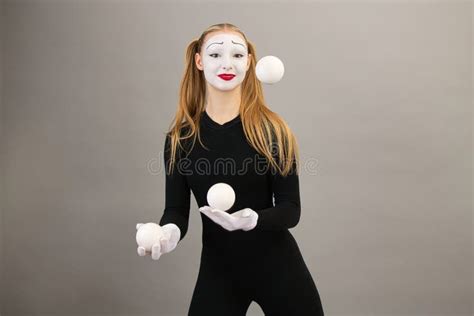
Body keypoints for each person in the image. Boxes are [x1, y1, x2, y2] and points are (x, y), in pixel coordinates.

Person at [137, 22, 325, 316]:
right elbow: (176, 210)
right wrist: (168, 234)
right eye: (215, 55)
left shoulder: (273, 132)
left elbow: (291, 209)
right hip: (219, 271)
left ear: (249, 62)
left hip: (279, 268)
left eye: (237, 55)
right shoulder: (180, 139)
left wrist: (251, 220)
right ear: (199, 61)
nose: (227, 64)